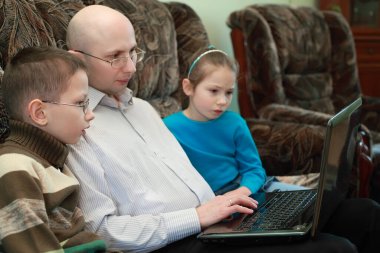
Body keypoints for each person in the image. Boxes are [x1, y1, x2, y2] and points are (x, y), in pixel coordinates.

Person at [65, 4, 379, 253]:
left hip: (221, 220)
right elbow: (101, 232)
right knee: (336, 248)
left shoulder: (144, 110)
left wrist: (224, 208)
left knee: (366, 215)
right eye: (115, 57)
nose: (132, 67)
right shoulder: (76, 127)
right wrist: (198, 216)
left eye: (133, 52)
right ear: (77, 59)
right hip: (177, 240)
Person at [0, 47, 107, 252]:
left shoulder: (52, 161)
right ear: (40, 113)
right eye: (81, 103)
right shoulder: (14, 168)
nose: (91, 114)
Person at [164, 47, 303, 196]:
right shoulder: (167, 128)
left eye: (229, 92)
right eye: (213, 91)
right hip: (209, 202)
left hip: (244, 189)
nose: (223, 101)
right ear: (188, 87)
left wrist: (241, 193)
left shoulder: (235, 123)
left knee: (314, 200)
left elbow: (253, 170)